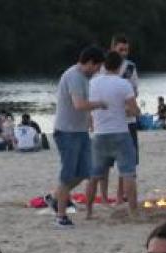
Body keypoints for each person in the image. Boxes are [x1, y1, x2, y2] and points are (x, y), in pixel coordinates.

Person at [52, 46, 108, 229]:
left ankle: (55, 197)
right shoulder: (74, 76)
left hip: (80, 131)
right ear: (90, 63)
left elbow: (83, 105)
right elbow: (79, 104)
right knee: (67, 174)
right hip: (66, 132)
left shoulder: (85, 77)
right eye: (97, 67)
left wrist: (90, 119)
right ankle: (61, 216)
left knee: (86, 171)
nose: (98, 71)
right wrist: (99, 104)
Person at [86, 50, 141, 218]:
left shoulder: (93, 83)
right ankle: (133, 212)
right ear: (119, 67)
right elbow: (135, 110)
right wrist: (124, 110)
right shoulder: (123, 84)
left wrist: (92, 123)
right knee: (128, 174)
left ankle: (89, 212)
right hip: (120, 133)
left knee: (94, 176)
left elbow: (89, 108)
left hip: (100, 134)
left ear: (103, 65)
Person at [111, 34, 142, 206]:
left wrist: (127, 100)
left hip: (128, 119)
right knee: (108, 162)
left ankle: (120, 196)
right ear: (113, 48)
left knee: (129, 160)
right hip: (111, 120)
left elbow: (135, 90)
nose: (123, 53)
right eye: (120, 49)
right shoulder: (104, 68)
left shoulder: (130, 67)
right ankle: (111, 197)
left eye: (126, 50)